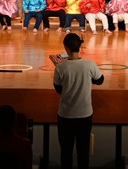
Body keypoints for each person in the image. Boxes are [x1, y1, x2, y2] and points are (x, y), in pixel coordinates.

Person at [53, 33, 104, 169]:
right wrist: (87, 79)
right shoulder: (89, 64)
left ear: (66, 48)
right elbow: (100, 80)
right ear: (80, 47)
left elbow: (58, 89)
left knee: (66, 151)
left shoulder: (60, 67)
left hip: (65, 115)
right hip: (85, 115)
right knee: (83, 151)